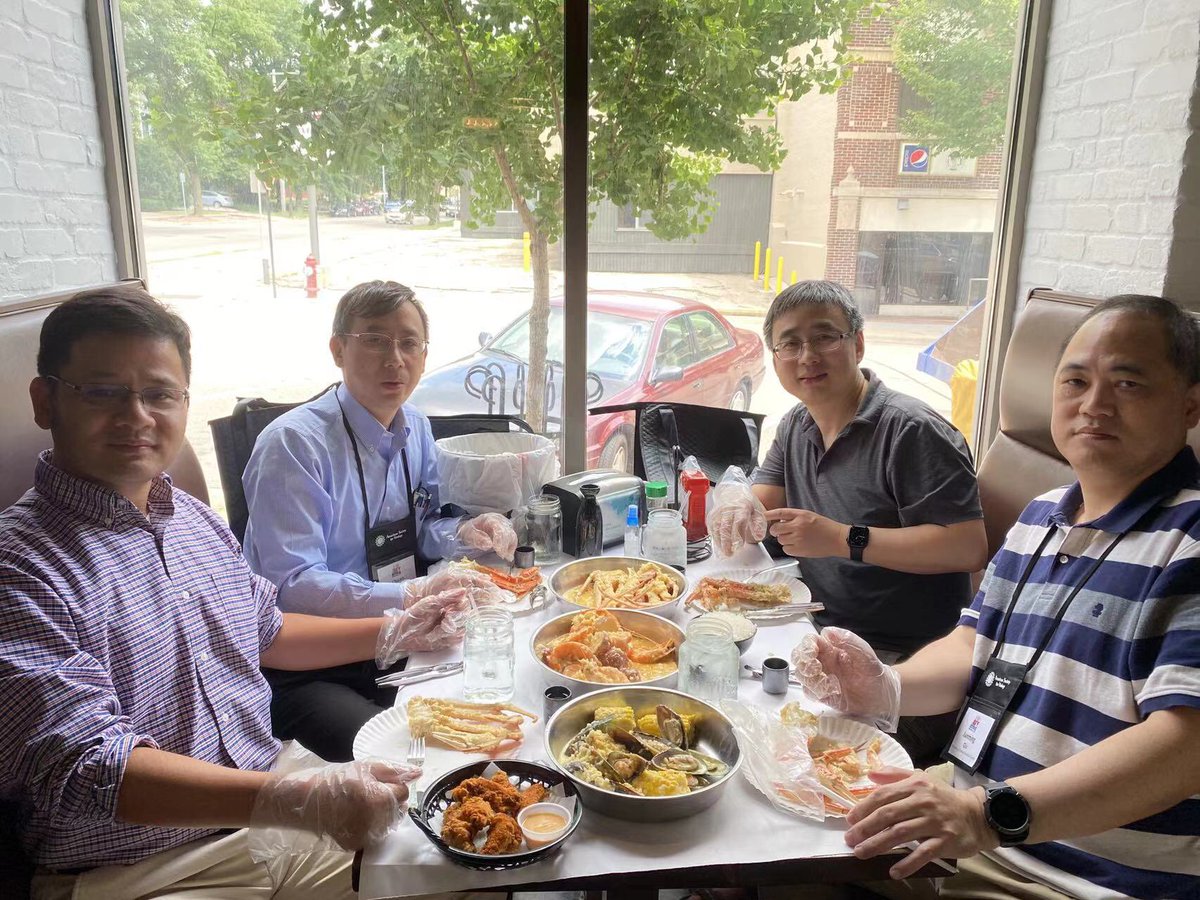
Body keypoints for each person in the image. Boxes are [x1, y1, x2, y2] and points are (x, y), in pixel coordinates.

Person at [0, 285, 462, 898]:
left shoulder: (191, 519)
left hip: (267, 805)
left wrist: (394, 628)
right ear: (45, 400)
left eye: (159, 394)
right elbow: (83, 766)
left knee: (466, 843)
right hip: (139, 866)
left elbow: (266, 630)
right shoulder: (22, 566)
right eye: (104, 392)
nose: (137, 416)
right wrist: (290, 799)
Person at [793, 294, 1200, 899]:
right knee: (772, 814)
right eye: (1076, 381)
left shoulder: (1188, 541)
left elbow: (1185, 743)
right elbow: (973, 644)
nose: (1095, 405)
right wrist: (886, 686)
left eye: (1129, 383)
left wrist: (986, 815)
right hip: (968, 822)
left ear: (1189, 402)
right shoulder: (1042, 517)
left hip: (1077, 875)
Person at [708, 280, 988, 763]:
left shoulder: (913, 431)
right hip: (814, 631)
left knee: (768, 760)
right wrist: (736, 500)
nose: (806, 355)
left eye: (824, 337)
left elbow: (967, 547)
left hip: (901, 665)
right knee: (708, 694)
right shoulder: (798, 423)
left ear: (858, 343)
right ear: (775, 359)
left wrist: (843, 538)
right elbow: (761, 497)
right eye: (789, 343)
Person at [241, 280, 518, 762]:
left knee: (496, 704)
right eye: (374, 339)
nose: (395, 358)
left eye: (409, 342)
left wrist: (463, 534)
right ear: (337, 349)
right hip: (312, 662)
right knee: (410, 757)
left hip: (403, 636)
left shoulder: (417, 427)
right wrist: (410, 596)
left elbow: (422, 528)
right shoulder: (293, 445)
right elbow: (291, 586)